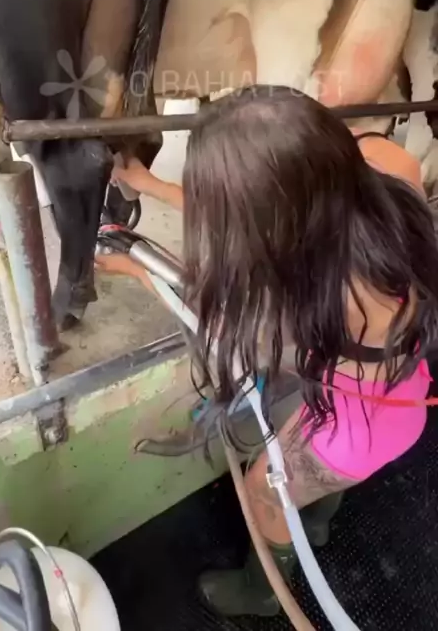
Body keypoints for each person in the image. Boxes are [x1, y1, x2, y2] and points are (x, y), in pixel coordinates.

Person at [95, 86, 438, 618]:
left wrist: (138, 269)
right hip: (403, 395)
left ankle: (263, 593)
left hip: (355, 435)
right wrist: (150, 185)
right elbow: (259, 212)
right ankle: (317, 520)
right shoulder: (386, 168)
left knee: (264, 488)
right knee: (318, 473)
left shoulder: (301, 302)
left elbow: (211, 314)